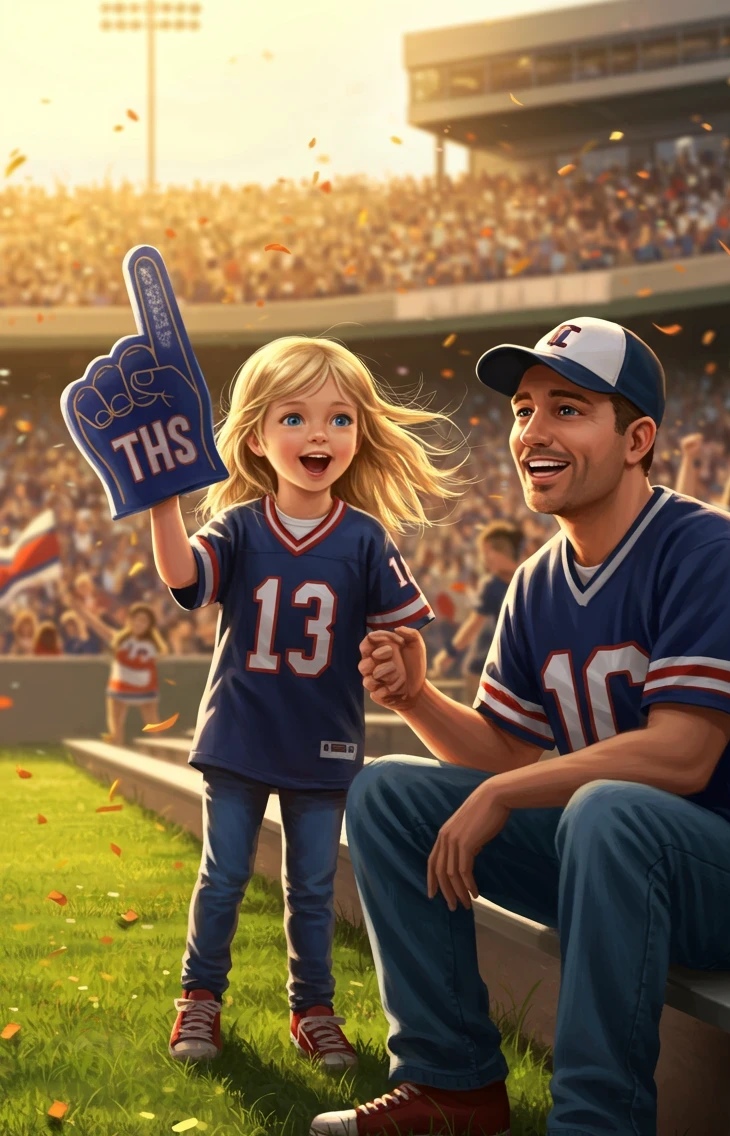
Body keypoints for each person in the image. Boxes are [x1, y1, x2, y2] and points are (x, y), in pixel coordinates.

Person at [310, 317, 730, 1136]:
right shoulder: (541, 579)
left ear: (637, 441)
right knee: (388, 792)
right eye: (524, 409)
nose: (534, 432)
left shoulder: (713, 550)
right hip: (609, 853)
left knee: (608, 808)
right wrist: (422, 699)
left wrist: (506, 794)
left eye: (569, 409)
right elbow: (503, 754)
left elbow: (682, 756)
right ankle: (451, 1081)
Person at [147, 336, 460, 1070]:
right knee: (223, 875)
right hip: (241, 734)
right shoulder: (239, 525)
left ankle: (311, 1008)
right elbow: (184, 578)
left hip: (324, 739)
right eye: (295, 418)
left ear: (359, 432)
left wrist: (402, 662)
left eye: (339, 418)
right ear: (256, 436)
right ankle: (199, 999)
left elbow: (405, 637)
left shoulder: (364, 538)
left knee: (314, 889)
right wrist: (161, 503)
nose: (319, 434)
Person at [431, 521, 525, 704]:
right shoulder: (493, 585)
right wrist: (449, 654)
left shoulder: (528, 578)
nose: (484, 559)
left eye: (486, 552)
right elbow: (473, 624)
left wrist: (447, 655)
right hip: (485, 667)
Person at [73, 595, 167, 744]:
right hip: (120, 687)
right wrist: (79, 609)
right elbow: (96, 625)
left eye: (144, 620)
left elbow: (160, 655)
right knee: (115, 730)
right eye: (136, 618)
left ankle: (163, 757)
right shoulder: (119, 639)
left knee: (154, 727)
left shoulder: (154, 645)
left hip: (145, 688)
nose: (139, 623)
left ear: (149, 624)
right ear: (129, 620)